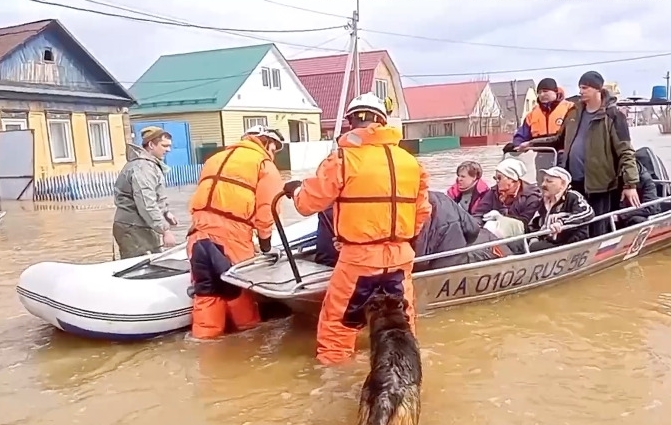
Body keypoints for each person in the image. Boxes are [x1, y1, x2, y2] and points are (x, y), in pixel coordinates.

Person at [282, 92, 432, 366]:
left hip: (358, 260)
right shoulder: (411, 163)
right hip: (400, 257)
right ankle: (406, 377)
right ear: (383, 122)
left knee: (337, 329)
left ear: (352, 122)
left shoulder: (343, 158)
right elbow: (422, 213)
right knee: (402, 328)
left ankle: (335, 386)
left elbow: (307, 203)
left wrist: (295, 190)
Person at [186, 125, 286, 339]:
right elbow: (268, 210)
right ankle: (248, 344)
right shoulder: (263, 165)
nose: (274, 154)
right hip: (232, 239)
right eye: (275, 149)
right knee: (239, 292)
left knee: (206, 292)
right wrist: (266, 245)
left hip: (196, 236)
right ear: (267, 143)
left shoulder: (215, 159)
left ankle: (205, 344)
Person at [542, 71, 641, 237]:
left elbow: (626, 151)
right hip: (574, 183)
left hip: (601, 184)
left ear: (597, 89)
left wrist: (630, 185)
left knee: (598, 229)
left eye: (585, 88)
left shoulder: (614, 117)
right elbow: (558, 139)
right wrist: (530, 144)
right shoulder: (574, 112)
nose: (580, 91)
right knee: (574, 227)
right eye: (580, 87)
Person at [315, 192, 507, 271]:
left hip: (421, 261)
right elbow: (472, 230)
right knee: (489, 244)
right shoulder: (439, 198)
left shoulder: (381, 206)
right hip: (438, 260)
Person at [112, 126, 177, 259]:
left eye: (169, 146)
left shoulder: (149, 165)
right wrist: (165, 230)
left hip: (140, 225)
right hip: (133, 228)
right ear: (151, 145)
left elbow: (155, 196)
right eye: (164, 146)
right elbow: (146, 203)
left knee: (153, 263)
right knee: (141, 268)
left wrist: (165, 212)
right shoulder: (143, 167)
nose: (168, 150)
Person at [503, 78, 575, 183]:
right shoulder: (532, 114)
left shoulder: (570, 108)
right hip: (542, 156)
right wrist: (516, 145)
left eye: (545, 91)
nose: (542, 95)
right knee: (543, 186)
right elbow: (521, 135)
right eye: (539, 92)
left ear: (555, 91)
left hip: (564, 156)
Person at [414, 191, 507, 272]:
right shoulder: (442, 198)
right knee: (487, 238)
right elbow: (472, 229)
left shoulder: (406, 209)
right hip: (453, 262)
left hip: (422, 265)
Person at [472, 157, 542, 239]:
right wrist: (475, 224)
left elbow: (525, 223)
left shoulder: (532, 195)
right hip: (491, 233)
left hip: (520, 236)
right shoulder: (493, 192)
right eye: (495, 178)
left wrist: (502, 216)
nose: (497, 181)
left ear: (512, 179)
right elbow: (479, 213)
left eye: (499, 178)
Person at [528, 167, 594, 252]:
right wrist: (534, 238)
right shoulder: (543, 201)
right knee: (518, 243)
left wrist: (562, 222)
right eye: (543, 181)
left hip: (570, 244)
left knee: (534, 248)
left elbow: (588, 213)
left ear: (562, 184)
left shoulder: (573, 196)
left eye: (549, 181)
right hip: (548, 241)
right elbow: (534, 224)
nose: (543, 184)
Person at [616, 163, 659, 228]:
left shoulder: (645, 180)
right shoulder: (616, 179)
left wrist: (621, 215)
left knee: (637, 220)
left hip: (643, 215)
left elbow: (650, 207)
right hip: (623, 213)